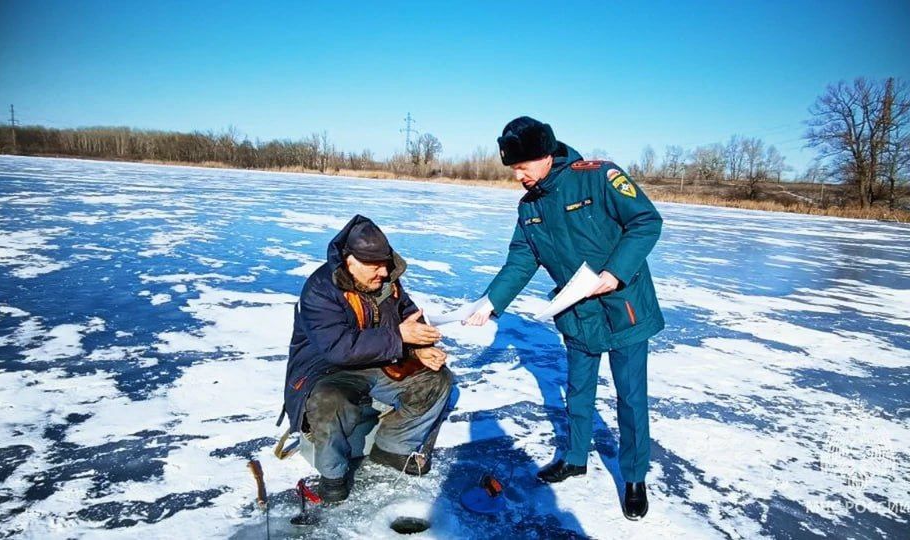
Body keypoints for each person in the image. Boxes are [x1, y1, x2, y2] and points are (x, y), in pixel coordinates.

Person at [466, 117, 664, 520]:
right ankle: (575, 458)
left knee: (630, 396)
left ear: (545, 155)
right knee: (577, 389)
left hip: (623, 304)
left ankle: (633, 477)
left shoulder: (598, 177)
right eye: (513, 169)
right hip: (577, 310)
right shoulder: (530, 206)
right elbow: (521, 260)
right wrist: (490, 302)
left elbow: (646, 221)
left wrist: (616, 272)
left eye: (522, 167)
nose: (518, 176)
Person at [282, 214, 453, 503]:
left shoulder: (387, 283)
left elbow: (409, 318)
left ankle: (393, 448)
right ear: (350, 261)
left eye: (385, 264)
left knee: (437, 381)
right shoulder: (320, 290)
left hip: (379, 360)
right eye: (374, 266)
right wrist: (400, 337)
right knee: (329, 400)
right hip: (326, 370)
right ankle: (333, 474)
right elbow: (338, 348)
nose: (383, 272)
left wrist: (420, 349)